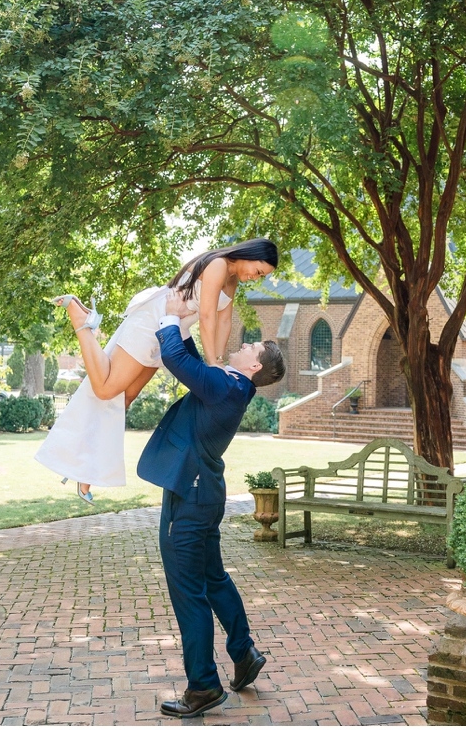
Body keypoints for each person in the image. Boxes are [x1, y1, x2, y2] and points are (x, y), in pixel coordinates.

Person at [33, 239, 278, 502]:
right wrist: (213, 364)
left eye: (261, 276)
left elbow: (224, 321)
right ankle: (81, 321)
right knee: (105, 390)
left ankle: (86, 469)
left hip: (169, 330)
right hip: (154, 321)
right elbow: (207, 317)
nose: (255, 277)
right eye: (258, 271)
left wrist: (215, 363)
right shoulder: (218, 264)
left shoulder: (232, 279)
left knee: (124, 399)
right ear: (250, 255)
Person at [140, 290, 286, 718]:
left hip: (190, 496)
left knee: (190, 593)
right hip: (205, 494)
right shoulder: (231, 385)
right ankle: (243, 653)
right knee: (213, 578)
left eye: (250, 347)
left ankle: (203, 686)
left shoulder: (226, 386)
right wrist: (183, 324)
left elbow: (181, 365)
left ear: (255, 366)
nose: (242, 345)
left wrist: (169, 317)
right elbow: (194, 366)